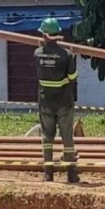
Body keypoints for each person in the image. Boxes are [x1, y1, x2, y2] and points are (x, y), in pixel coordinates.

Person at [34, 17, 79, 183]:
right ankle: (71, 173)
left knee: (47, 137)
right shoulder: (66, 55)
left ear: (45, 35)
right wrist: (72, 61)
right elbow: (73, 77)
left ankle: (48, 173)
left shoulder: (37, 54)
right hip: (64, 102)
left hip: (46, 102)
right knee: (67, 137)